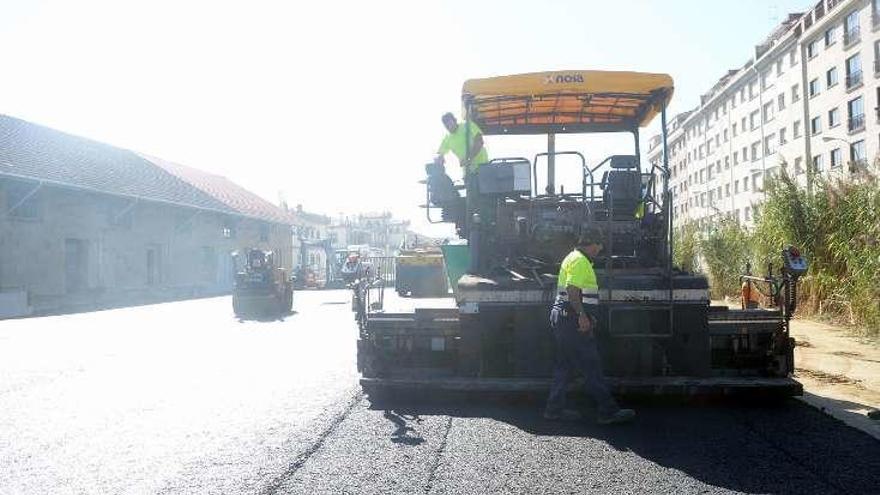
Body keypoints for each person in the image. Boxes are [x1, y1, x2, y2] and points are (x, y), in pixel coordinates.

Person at [544, 230, 636, 425]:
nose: (600, 249)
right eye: (599, 245)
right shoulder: (579, 261)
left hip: (564, 317)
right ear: (591, 244)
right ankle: (608, 411)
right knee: (591, 365)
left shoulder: (573, 257)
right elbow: (572, 289)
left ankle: (554, 410)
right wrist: (582, 316)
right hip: (571, 319)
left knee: (564, 366)